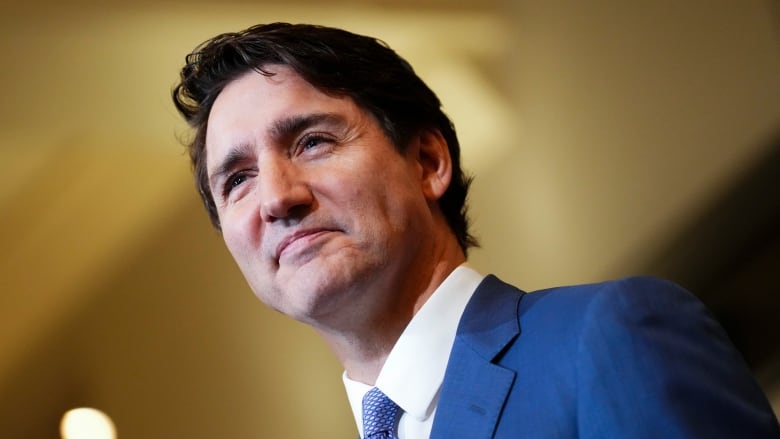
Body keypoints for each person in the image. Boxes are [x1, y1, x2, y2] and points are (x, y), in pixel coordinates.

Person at [172, 22, 780, 438]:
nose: (278, 196)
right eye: (237, 180)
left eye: (312, 141)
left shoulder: (610, 336)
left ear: (429, 162)